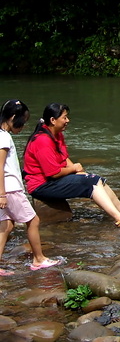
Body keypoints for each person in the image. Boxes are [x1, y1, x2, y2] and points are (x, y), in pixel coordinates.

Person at [23, 103, 120, 228]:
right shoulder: (43, 140)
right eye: (64, 118)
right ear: (53, 120)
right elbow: (53, 173)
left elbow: (64, 158)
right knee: (91, 183)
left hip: (52, 180)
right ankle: (119, 219)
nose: (67, 120)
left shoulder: (57, 134)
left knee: (96, 179)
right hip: (41, 186)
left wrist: (80, 173)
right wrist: (74, 169)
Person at [0, 100, 61, 274]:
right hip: (9, 188)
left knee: (6, 225)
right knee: (33, 220)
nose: (24, 126)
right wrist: (2, 194)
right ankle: (38, 259)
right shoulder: (3, 137)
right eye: (22, 121)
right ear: (12, 117)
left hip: (6, 188)